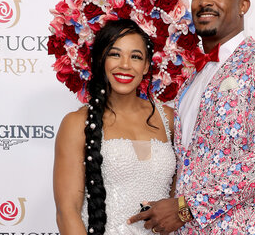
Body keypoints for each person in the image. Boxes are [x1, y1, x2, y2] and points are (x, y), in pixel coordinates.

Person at [128, 0, 255, 234]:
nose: (204, 1)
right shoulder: (190, 76)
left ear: (243, 5)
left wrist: (187, 207)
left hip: (247, 227)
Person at [53, 19, 176, 234]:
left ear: (146, 65)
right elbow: (67, 212)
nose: (125, 65)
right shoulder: (76, 123)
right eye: (115, 54)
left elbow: (180, 197)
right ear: (101, 60)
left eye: (135, 56)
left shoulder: (168, 119)